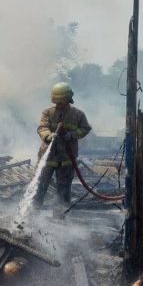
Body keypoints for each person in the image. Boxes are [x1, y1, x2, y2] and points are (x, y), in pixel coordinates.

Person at [34, 82, 92, 211]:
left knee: (64, 189)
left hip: (66, 157)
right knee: (39, 186)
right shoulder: (48, 112)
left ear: (68, 99)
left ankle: (60, 217)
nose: (58, 103)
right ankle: (32, 215)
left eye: (61, 101)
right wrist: (48, 136)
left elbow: (85, 128)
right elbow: (42, 127)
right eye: (56, 101)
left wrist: (72, 135)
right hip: (48, 156)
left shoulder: (78, 114)